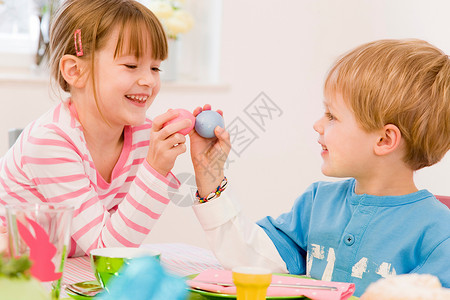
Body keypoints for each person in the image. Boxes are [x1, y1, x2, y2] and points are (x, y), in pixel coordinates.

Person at [189, 39, 450, 297]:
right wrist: (209, 173)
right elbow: (252, 260)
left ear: (384, 140)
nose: (318, 124)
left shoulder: (438, 233)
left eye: (332, 116)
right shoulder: (317, 204)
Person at [0, 0, 192, 257]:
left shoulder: (141, 137)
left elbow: (109, 239)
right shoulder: (49, 142)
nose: (149, 80)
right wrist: (155, 170)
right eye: (131, 66)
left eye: (155, 68)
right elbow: (105, 252)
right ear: (75, 71)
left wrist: (203, 166)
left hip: (65, 265)